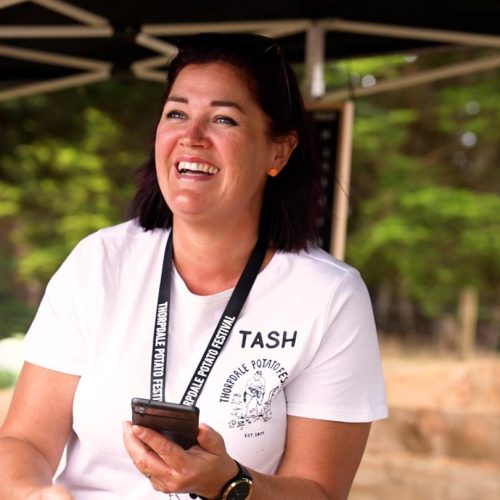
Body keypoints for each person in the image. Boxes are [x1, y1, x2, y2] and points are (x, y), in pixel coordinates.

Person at [0, 33, 387, 500]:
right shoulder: (99, 262)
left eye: (223, 118)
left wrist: (230, 483)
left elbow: (320, 491)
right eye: (177, 113)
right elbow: (24, 440)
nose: (191, 137)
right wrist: (28, 492)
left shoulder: (328, 295)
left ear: (278, 152)